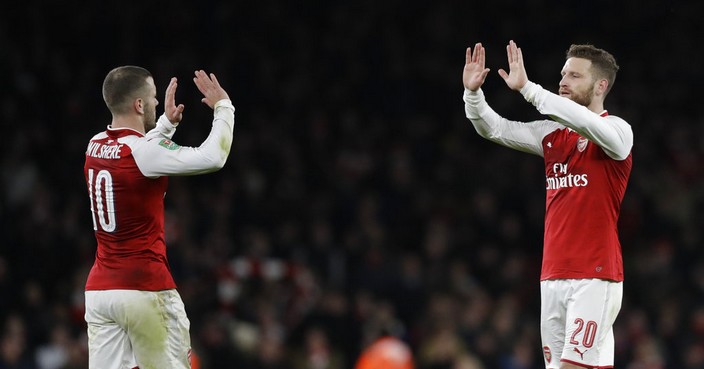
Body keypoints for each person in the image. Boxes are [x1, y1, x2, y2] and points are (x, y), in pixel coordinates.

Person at [461, 40, 632, 369]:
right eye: (563, 74)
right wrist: (472, 95)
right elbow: (495, 129)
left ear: (601, 85)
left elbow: (589, 125)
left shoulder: (619, 132)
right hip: (552, 276)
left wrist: (528, 89)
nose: (563, 81)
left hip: (595, 277)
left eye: (575, 76)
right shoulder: (551, 135)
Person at [83, 66, 234, 369]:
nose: (155, 103)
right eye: (152, 98)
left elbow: (138, 155)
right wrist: (223, 107)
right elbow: (212, 157)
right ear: (139, 105)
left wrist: (165, 124)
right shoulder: (143, 152)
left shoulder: (95, 144)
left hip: (100, 293)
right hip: (145, 289)